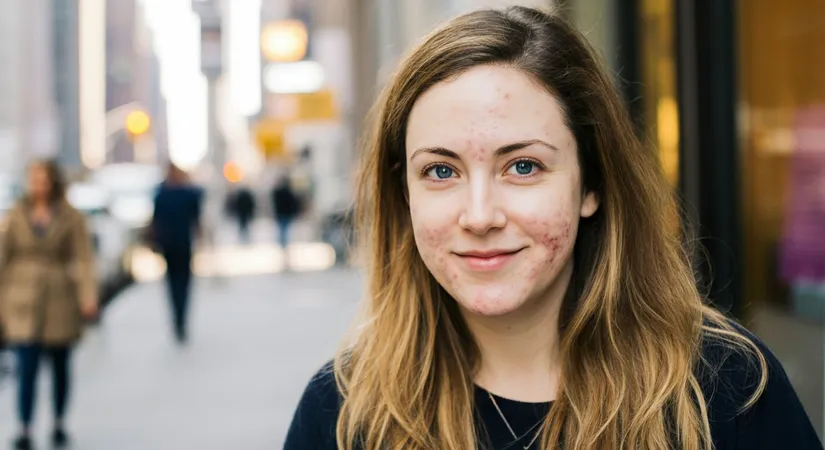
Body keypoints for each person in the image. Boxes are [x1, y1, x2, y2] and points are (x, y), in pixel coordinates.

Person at [284, 7, 821, 450]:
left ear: (592, 184)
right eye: (441, 171)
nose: (479, 216)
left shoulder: (728, 390)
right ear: (405, 194)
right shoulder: (343, 413)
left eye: (523, 166)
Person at [0, 160, 98, 450]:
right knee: (25, 367)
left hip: (59, 299)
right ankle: (25, 428)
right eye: (34, 179)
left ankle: (58, 422)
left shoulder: (71, 216)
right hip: (22, 301)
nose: (38, 185)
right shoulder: (16, 215)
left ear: (53, 182)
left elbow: (83, 258)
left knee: (59, 366)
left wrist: (88, 297)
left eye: (43, 179)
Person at [151, 163, 203, 343]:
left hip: (170, 245)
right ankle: (181, 320)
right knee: (183, 283)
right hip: (181, 244)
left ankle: (178, 319)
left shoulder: (161, 194)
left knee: (173, 284)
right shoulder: (187, 193)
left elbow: (155, 221)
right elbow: (196, 220)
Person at [271, 176, 301, 254]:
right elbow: (293, 203)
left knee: (281, 229)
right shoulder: (288, 192)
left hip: (281, 213)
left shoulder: (279, 192)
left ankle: (282, 243)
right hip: (286, 213)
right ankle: (284, 243)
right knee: (285, 229)